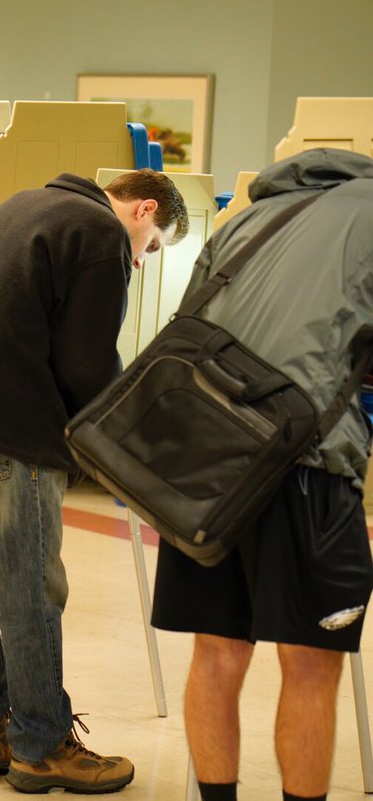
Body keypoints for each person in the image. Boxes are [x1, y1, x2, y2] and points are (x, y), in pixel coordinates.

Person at [0, 168, 187, 793]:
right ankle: (41, 744)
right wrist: (124, 441)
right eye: (154, 246)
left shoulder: (21, 204)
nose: (142, 262)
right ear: (143, 210)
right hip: (10, 425)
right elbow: (86, 362)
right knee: (30, 589)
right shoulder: (99, 234)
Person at [149, 148, 373, 801]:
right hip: (310, 463)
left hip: (209, 465)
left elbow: (190, 328)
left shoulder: (245, 221)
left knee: (217, 653)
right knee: (310, 663)